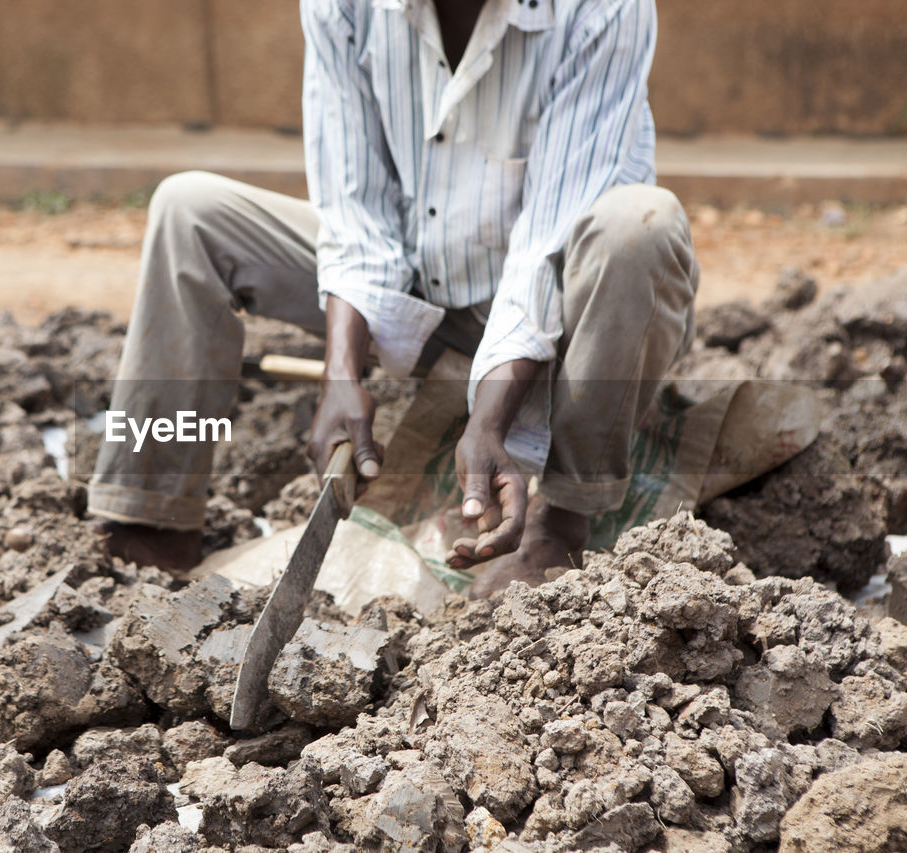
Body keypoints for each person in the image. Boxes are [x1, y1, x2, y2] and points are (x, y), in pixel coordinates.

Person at [88, 0, 698, 597]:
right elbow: (354, 213)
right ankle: (151, 520)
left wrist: (488, 423)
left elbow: (545, 247)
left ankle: (561, 523)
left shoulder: (601, 8)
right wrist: (340, 373)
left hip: (566, 320)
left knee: (639, 226)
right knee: (189, 211)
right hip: (420, 287)